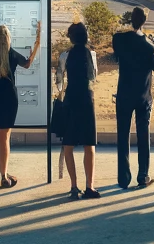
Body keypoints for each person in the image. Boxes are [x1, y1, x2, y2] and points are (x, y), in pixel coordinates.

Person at [112, 6, 154, 189]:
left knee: (122, 136)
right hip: (143, 96)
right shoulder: (148, 46)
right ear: (144, 21)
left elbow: (116, 56)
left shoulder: (119, 39)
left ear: (131, 20)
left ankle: (123, 178)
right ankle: (143, 176)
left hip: (124, 95)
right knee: (143, 136)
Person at [0, 21, 41, 190]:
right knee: (5, 137)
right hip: (9, 97)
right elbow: (27, 63)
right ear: (8, 38)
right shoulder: (12, 54)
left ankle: (1, 174)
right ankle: (4, 175)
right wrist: (37, 46)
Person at [56, 21, 100, 200]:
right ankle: (90, 186)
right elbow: (93, 76)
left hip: (71, 99)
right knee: (89, 144)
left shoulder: (65, 56)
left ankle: (74, 186)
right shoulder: (92, 54)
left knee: (69, 144)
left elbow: (59, 81)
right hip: (87, 99)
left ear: (71, 37)